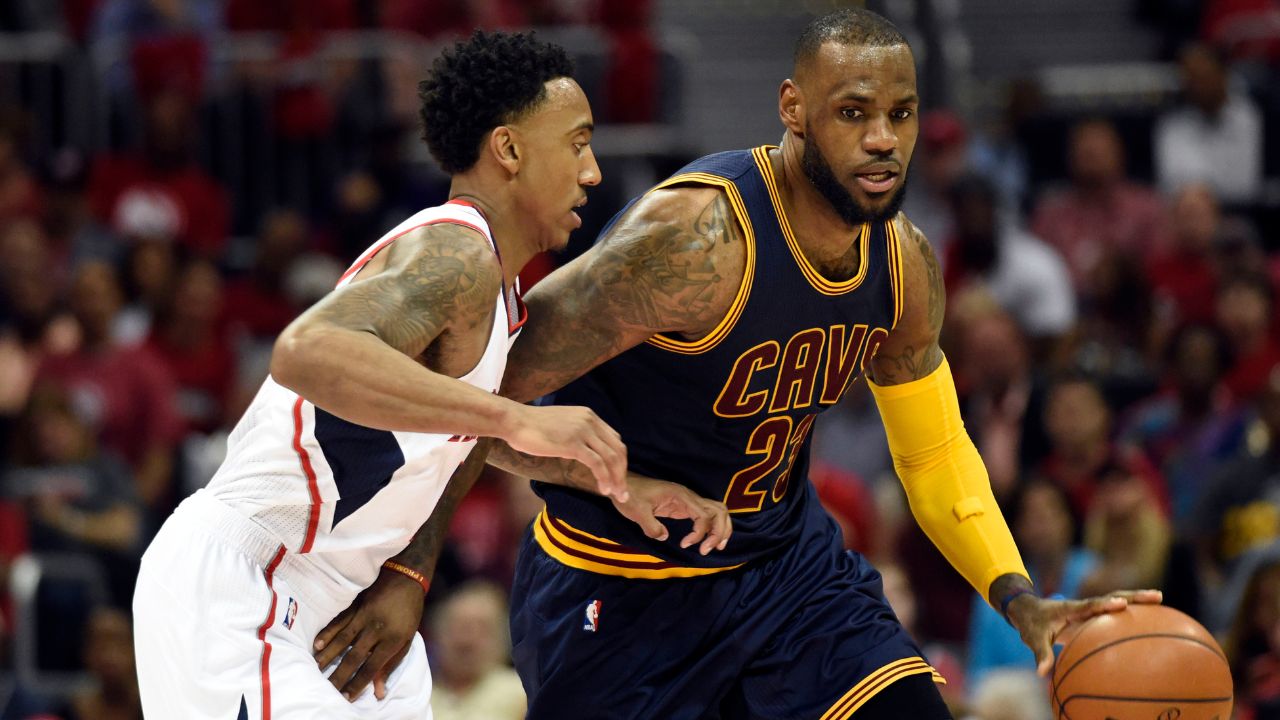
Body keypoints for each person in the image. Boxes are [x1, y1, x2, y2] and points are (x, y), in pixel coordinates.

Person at [321, 10, 1158, 719]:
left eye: (901, 114)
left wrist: (1020, 600)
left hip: (786, 574)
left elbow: (934, 456)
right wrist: (409, 565)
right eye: (853, 112)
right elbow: (477, 392)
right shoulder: (696, 244)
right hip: (618, 589)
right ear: (793, 109)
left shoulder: (904, 268)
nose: (882, 140)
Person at [131, 31, 726, 720]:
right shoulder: (453, 250)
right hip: (252, 582)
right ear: (508, 149)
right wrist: (516, 413)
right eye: (577, 142)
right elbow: (307, 351)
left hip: (339, 600)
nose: (593, 171)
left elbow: (448, 431)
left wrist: (617, 484)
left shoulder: (497, 292)